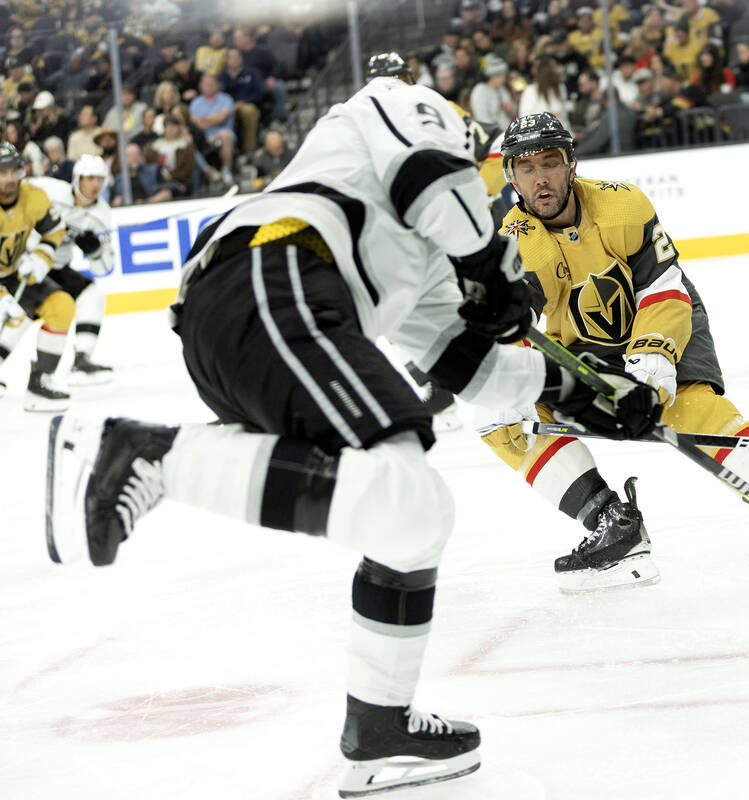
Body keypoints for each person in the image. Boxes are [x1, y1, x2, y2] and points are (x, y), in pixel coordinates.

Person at [45, 58, 660, 796]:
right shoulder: (409, 105)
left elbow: (470, 368)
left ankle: (379, 727)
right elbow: (431, 174)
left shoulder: (431, 262)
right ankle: (144, 454)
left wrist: (580, 392)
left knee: (413, 513)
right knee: (406, 489)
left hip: (268, 316)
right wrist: (496, 269)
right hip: (274, 274)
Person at [479, 113, 749, 593]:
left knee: (693, 411)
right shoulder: (513, 241)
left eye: (550, 162)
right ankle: (613, 526)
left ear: (571, 164)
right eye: (526, 169)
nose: (540, 178)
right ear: (510, 177)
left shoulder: (621, 204)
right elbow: (514, 323)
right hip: (586, 348)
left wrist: (652, 361)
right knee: (497, 419)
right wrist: (503, 372)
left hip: (665, 316)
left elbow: (664, 286)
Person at [23, 155, 116, 385]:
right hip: (28, 262)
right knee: (16, 314)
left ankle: (82, 360)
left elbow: (104, 267)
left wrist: (94, 250)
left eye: (100, 179)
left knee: (92, 295)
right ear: (77, 179)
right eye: (90, 178)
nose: (95, 185)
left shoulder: (101, 215)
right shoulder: (48, 189)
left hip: (57, 267)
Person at [0, 141, 73, 410]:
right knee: (9, 316)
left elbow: (55, 229)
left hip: (15, 272)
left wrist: (42, 255)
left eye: (12, 171)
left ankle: (40, 382)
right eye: (2, 172)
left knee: (61, 306)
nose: (9, 179)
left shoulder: (33, 196)